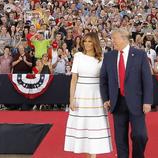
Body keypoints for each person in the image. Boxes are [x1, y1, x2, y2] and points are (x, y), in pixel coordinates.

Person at [100, 28, 153, 158]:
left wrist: (147, 101)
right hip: (117, 102)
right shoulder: (109, 56)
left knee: (140, 135)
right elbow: (103, 79)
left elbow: (147, 80)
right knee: (120, 139)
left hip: (137, 103)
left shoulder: (139, 55)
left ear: (124, 39)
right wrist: (106, 98)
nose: (112, 41)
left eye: (114, 39)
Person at [64, 32, 112, 156]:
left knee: (94, 130)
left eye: (90, 41)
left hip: (96, 98)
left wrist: (107, 98)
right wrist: (71, 100)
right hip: (80, 96)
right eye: (85, 41)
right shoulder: (78, 56)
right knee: (83, 130)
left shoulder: (102, 58)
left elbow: (106, 81)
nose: (86, 44)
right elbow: (73, 79)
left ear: (95, 42)